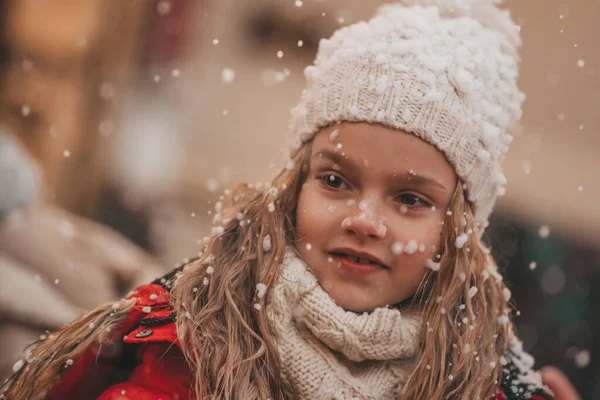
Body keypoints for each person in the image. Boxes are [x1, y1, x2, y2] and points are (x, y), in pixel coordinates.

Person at [2, 1, 578, 399]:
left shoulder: (491, 386)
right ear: (290, 192)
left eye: (408, 198)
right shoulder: (191, 351)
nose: (363, 220)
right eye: (335, 181)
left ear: (457, 238)